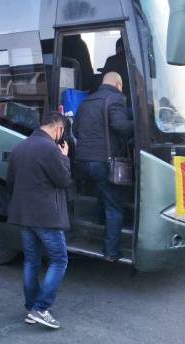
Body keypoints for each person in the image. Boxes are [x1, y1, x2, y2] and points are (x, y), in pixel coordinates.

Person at [7, 111, 71, 329]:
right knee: (59, 260)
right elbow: (63, 180)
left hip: (23, 214)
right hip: (46, 217)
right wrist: (64, 157)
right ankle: (41, 308)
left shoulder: (20, 146)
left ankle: (31, 307)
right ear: (58, 129)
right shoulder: (50, 149)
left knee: (31, 261)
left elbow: (10, 181)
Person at [73, 72, 134, 262]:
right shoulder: (116, 98)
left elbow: (75, 130)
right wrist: (137, 124)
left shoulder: (86, 101)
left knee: (102, 189)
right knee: (114, 206)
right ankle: (111, 251)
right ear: (118, 84)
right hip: (104, 161)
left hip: (82, 160)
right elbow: (121, 126)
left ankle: (98, 220)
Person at [102, 38, 130, 104]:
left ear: (119, 48)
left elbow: (103, 79)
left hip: (112, 99)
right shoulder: (132, 61)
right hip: (130, 100)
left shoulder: (111, 60)